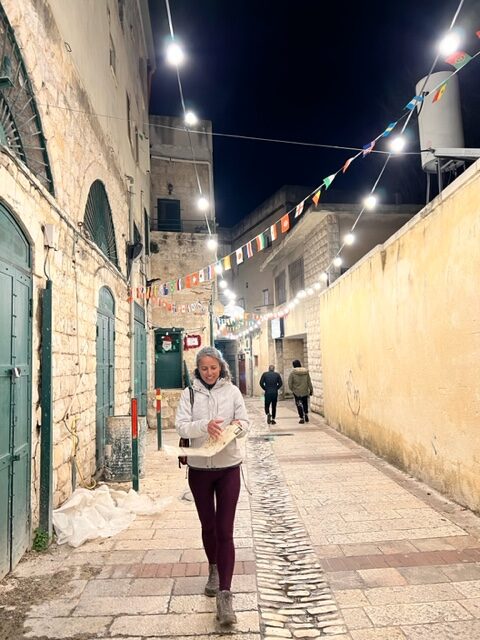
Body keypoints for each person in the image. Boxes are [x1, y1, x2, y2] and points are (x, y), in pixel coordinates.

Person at [175, 346, 249, 627]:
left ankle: (225, 596)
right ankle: (214, 569)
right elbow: (181, 426)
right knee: (208, 526)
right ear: (198, 369)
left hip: (228, 467)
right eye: (204, 368)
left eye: (214, 368)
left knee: (225, 530)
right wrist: (204, 426)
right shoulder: (189, 393)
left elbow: (245, 422)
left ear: (221, 367)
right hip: (199, 469)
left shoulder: (232, 392)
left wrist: (234, 429)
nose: (209, 372)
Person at [288, 359, 313, 424]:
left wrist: (292, 389)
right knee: (305, 403)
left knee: (299, 404)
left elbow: (290, 383)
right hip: (305, 391)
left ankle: (301, 417)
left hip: (297, 392)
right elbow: (309, 382)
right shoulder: (306, 372)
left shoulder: (292, 373)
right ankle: (306, 414)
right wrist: (311, 390)